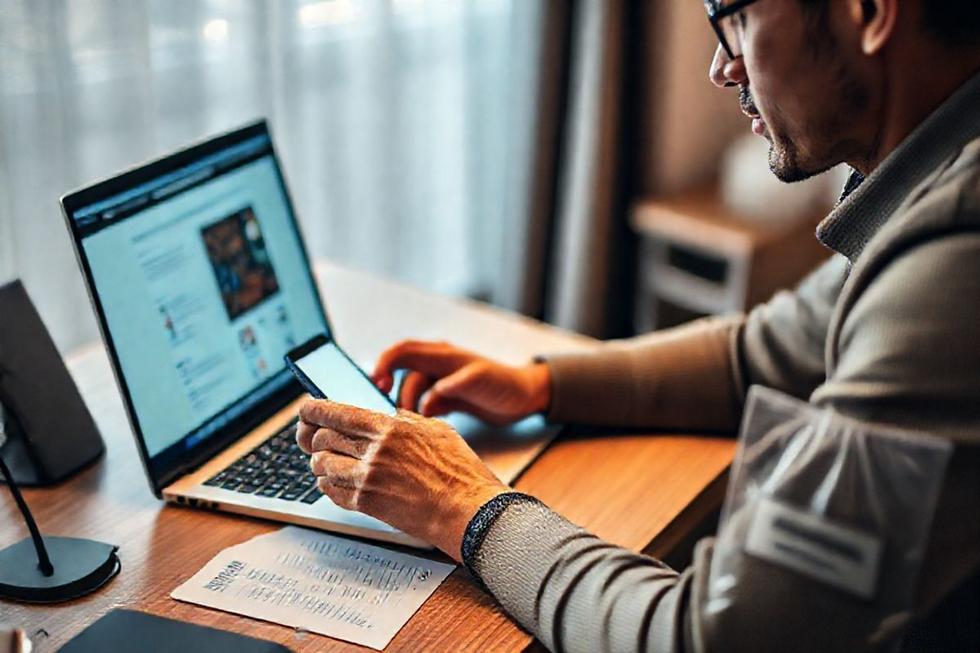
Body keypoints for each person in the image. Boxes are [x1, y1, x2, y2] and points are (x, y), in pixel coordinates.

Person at [296, 0, 980, 650]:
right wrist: (540, 382)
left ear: (869, 11)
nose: (722, 66)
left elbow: (708, 639)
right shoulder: (940, 187)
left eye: (732, 16)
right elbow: (762, 352)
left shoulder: (956, 264)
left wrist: (457, 504)